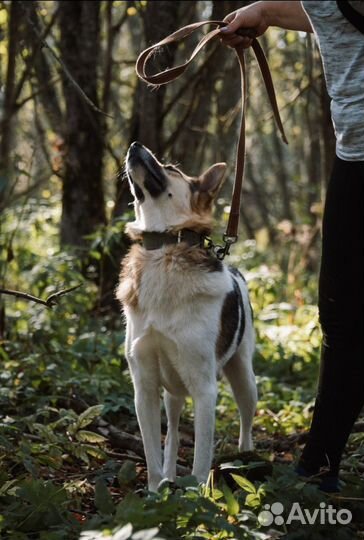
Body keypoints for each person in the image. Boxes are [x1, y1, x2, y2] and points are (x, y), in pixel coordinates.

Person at [220, 1, 364, 492]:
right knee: (344, 318)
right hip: (356, 153)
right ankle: (319, 468)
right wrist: (267, 12)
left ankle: (317, 469)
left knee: (347, 319)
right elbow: (330, 9)